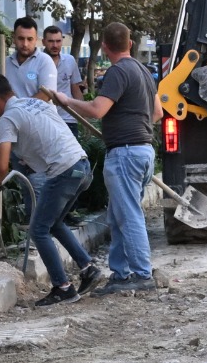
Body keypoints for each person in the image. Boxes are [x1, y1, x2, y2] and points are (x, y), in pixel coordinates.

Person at [53, 20, 156, 292]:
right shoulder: (143, 71)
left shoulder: (118, 72)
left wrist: (67, 101)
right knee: (118, 214)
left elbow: (98, 110)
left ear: (105, 46)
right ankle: (121, 274)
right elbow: (157, 113)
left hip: (125, 153)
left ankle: (142, 274)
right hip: (143, 150)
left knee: (128, 214)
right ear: (130, 44)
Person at [0, 70, 103, 305]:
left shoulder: (7, 119)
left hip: (64, 171)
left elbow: (1, 164)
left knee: (39, 229)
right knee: (55, 222)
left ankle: (63, 287)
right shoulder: (34, 103)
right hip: (82, 166)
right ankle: (88, 268)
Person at [6, 15, 59, 110]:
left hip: (41, 122)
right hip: (14, 122)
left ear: (36, 39)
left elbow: (46, 95)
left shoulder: (45, 61)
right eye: (21, 38)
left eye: (29, 39)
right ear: (14, 38)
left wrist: (18, 110)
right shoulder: (6, 63)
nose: (25, 44)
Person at [42, 24, 82, 100]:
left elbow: (76, 90)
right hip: (44, 110)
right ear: (43, 42)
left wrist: (82, 110)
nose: (55, 45)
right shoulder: (36, 62)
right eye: (51, 41)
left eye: (58, 41)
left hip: (67, 110)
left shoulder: (70, 60)